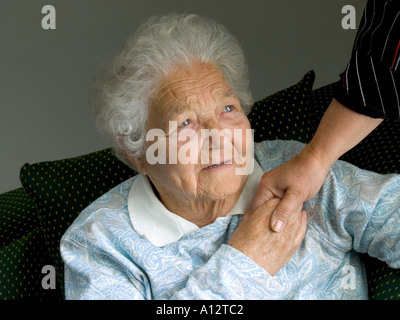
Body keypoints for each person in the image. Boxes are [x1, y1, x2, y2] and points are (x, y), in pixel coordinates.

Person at [60, 13, 400, 300]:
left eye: (227, 108)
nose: (218, 136)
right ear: (138, 155)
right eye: (185, 123)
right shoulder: (101, 242)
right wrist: (245, 264)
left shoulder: (298, 169)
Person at [254, 0, 400, 232]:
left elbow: (390, 214)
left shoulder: (279, 157)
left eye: (228, 108)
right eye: (186, 122)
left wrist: (317, 156)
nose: (213, 129)